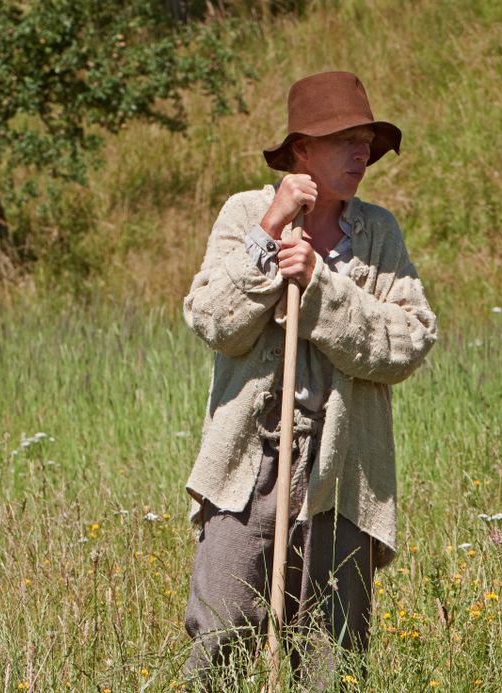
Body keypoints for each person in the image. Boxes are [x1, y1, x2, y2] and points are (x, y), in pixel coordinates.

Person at [181, 71, 437, 685]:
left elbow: (410, 340)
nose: (362, 155)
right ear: (302, 149)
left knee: (333, 650)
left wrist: (321, 288)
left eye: (366, 143)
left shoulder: (378, 233)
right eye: (347, 141)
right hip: (249, 462)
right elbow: (213, 320)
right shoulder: (246, 213)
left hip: (342, 465)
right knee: (221, 630)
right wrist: (269, 233)